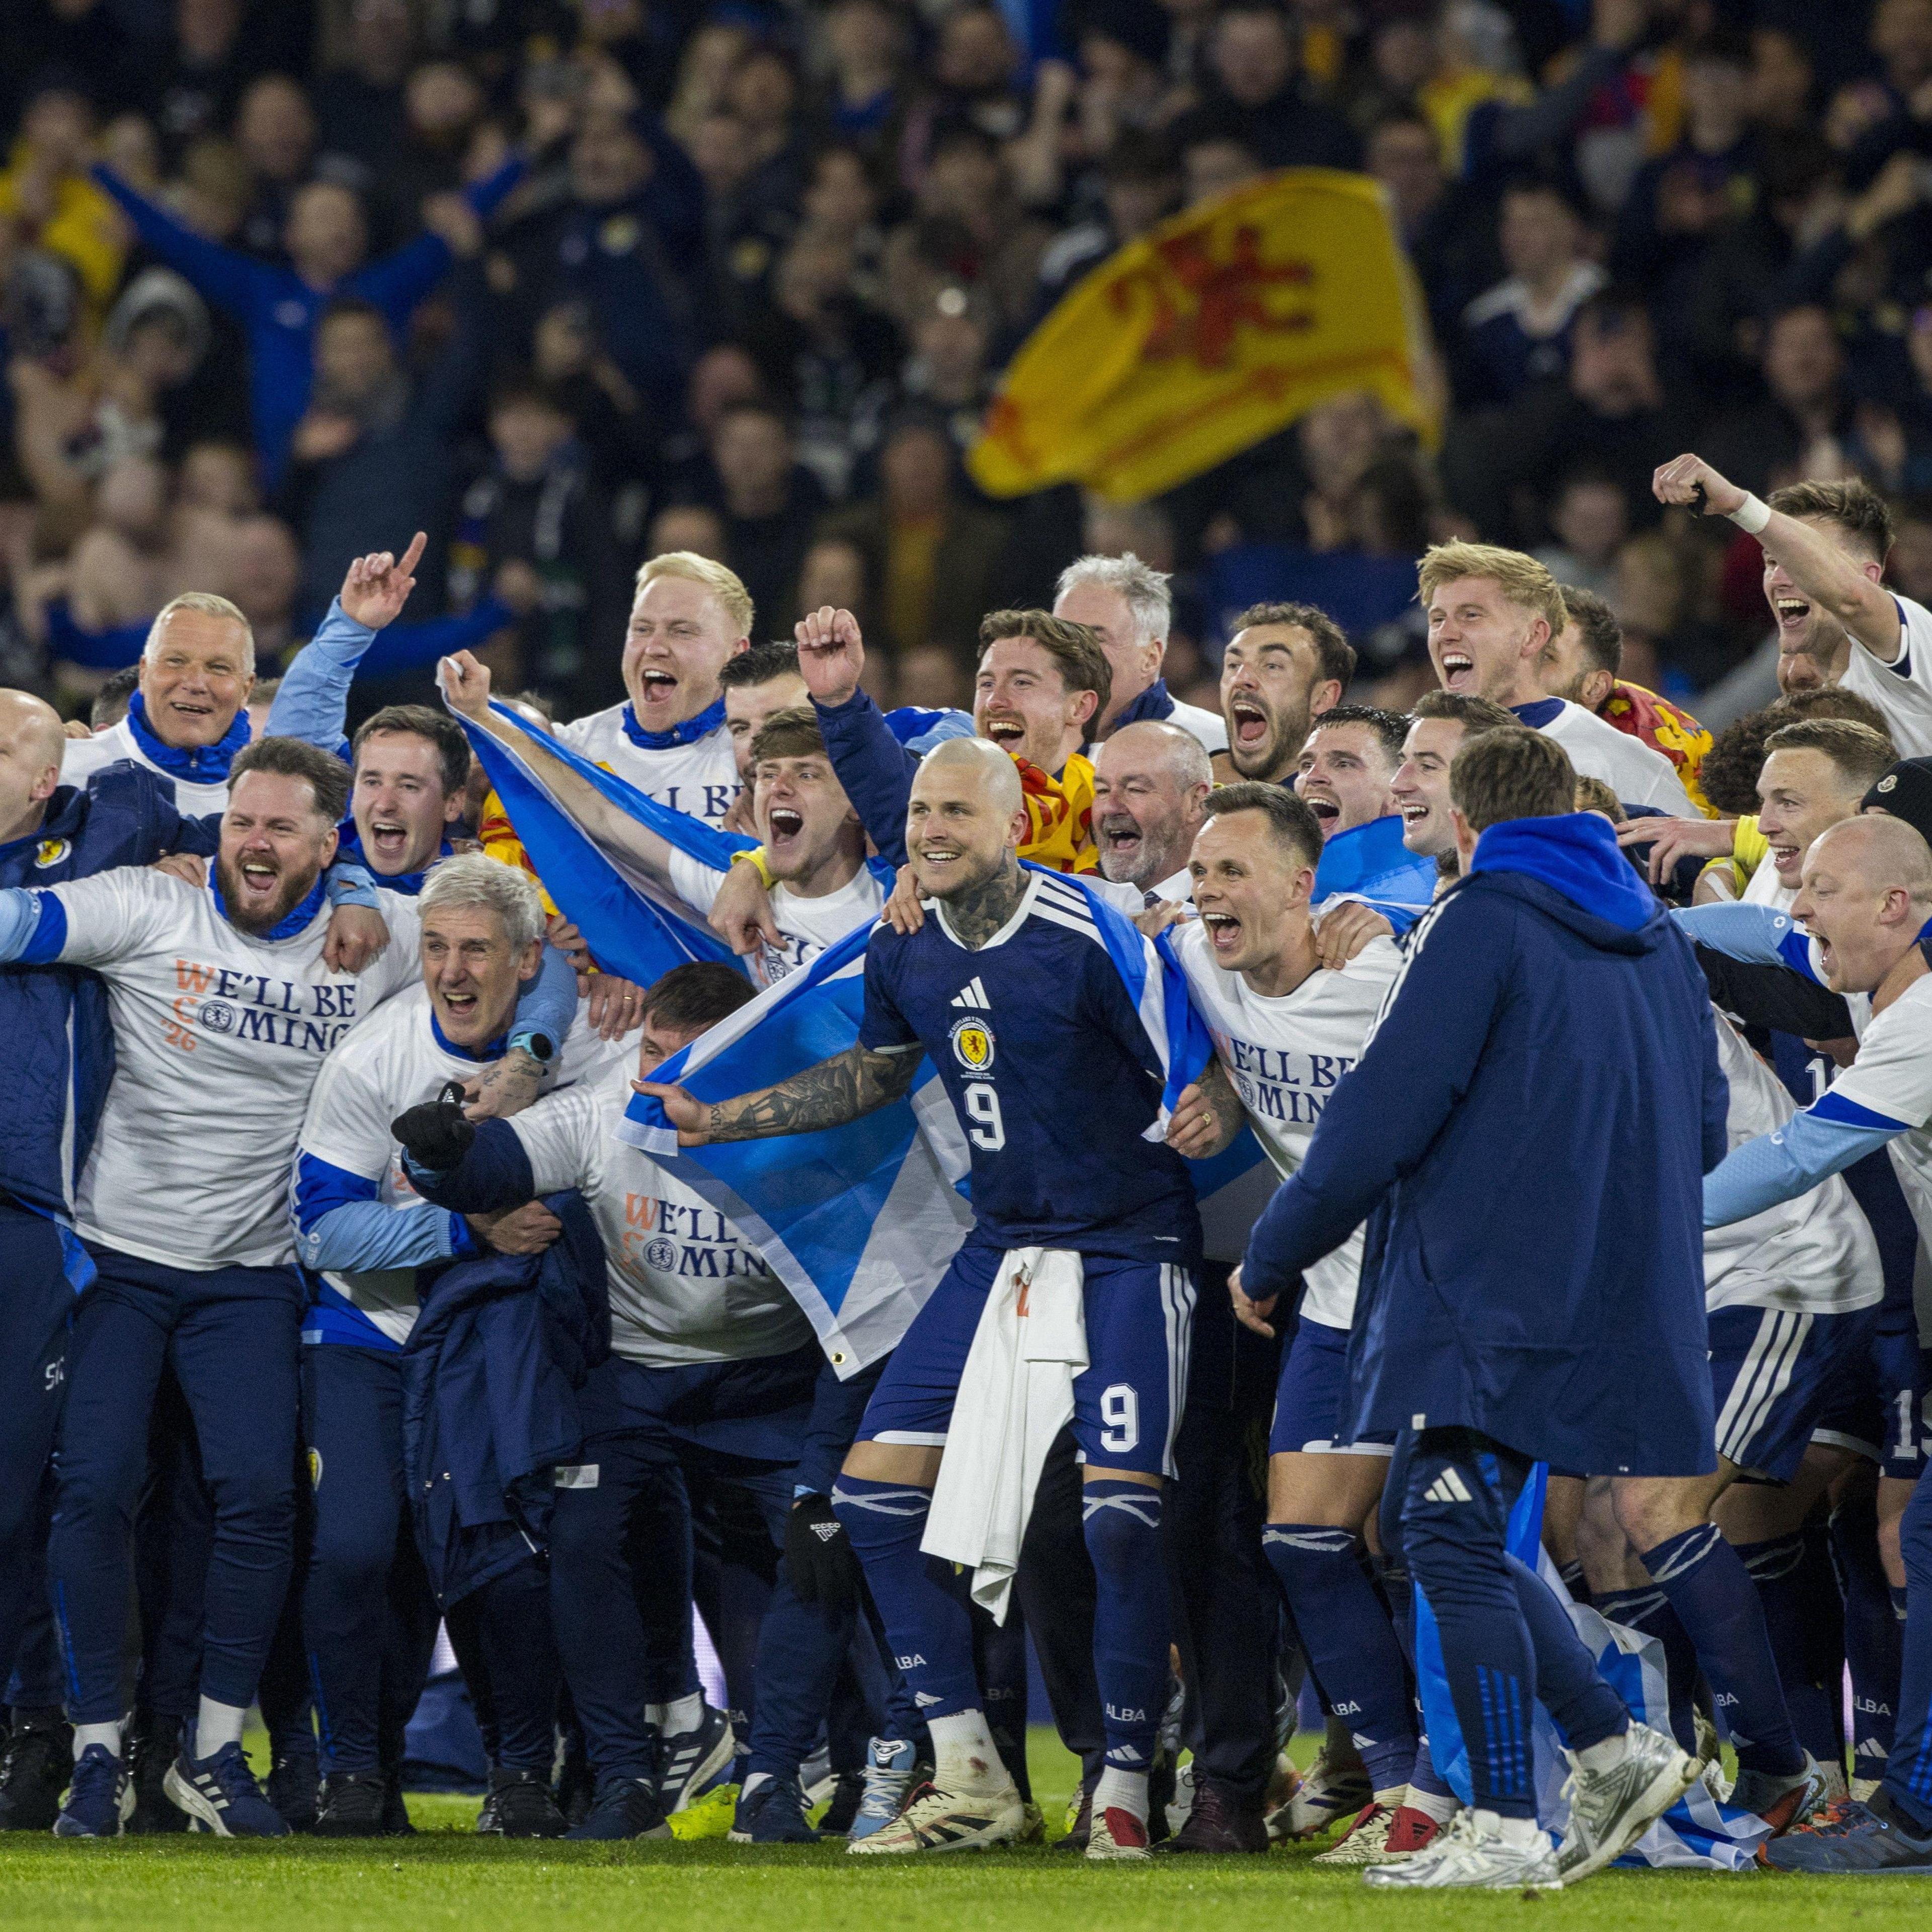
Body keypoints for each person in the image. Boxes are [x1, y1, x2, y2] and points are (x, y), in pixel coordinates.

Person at [637, 737, 1201, 1860]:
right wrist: (723, 1120)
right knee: (874, 1504)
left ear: (1012, 823)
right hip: (1002, 1253)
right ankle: (971, 1769)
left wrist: (1219, 1119)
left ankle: (1133, 1775)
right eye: (920, 815)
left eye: (955, 811)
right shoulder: (906, 950)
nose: (930, 831)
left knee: (1118, 1522)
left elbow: (1198, 1064)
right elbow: (873, 1074)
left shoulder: (1089, 935)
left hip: (1133, 1250)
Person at [1237, 728, 1717, 1889]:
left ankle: (1507, 1820)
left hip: (1483, 1279)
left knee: (1443, 1529)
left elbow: (1383, 1109)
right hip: (1614, 1278)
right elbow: (1700, 1119)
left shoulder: (1479, 914)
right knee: (1427, 1520)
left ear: (1467, 823)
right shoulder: (1655, 937)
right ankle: (1608, 1744)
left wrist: (1273, 1248)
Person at [0, 740, 427, 1838]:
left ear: (326, 846)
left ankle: (207, 1756)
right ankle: (98, 1757)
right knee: (90, 1495)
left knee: (262, 1504)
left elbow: (526, 947)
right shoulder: (153, 906)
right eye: (243, 823)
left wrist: (532, 1030)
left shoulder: (378, 943)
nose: (255, 844)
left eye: (284, 829)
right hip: (117, 1265)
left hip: (251, 1279)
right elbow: (17, 924)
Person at [391, 961, 901, 1846]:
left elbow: (859, 1319)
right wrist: (438, 1153)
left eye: (685, 1065)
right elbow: (494, 1168)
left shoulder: (813, 1142)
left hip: (773, 1387)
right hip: (630, 1383)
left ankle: (775, 1777)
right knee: (583, 1541)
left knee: (819, 1546)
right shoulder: (602, 1113)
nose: (657, 1082)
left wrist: (822, 1473)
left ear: (742, 1068)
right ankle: (626, 1773)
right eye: (651, 1054)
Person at [291, 855, 623, 1838]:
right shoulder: (371, 1060)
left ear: (526, 963)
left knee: (502, 1553)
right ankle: (355, 1772)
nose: (452, 970)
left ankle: (519, 1772)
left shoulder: (570, 1048)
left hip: (490, 1341)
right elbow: (321, 1233)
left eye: (476, 949)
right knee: (353, 1548)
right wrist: (461, 1230)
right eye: (435, 948)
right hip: (370, 1334)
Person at [1161, 784, 1419, 1865]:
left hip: (1430, 1298)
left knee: (1431, 1550)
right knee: (1304, 1541)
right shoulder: (1191, 956)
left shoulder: (1385, 976)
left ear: (1305, 888)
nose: (1211, 894)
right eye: (1203, 873)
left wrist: (1396, 922)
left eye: (1235, 872)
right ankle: (1406, 1792)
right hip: (1335, 1298)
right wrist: (1219, 1081)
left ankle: (1526, 1769)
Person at [1671, 814, 1932, 1869]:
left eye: (1823, 890)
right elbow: (1754, 930)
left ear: (1897, 908)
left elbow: (1794, 1158)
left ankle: (1913, 1815)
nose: (1801, 909)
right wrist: (1643, 919)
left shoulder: (1918, 1024)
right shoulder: (1883, 966)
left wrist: (1658, 1224)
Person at [0, 691, 223, 1830]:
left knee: (36, 1496)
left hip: (39, 1220)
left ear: (52, 781)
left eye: (3, 743)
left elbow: (234, 797)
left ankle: (51, 1725)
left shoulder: (108, 839)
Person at [443, 650, 882, 988]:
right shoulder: (723, 871)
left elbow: (942, 750)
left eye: (805, 772)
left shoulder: (905, 886)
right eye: (744, 733)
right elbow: (601, 812)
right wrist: (484, 717)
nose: (760, 751)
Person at [1652, 466, 1932, 760]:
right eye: (1772, 562)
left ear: (1869, 577)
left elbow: (1853, 598)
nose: (1778, 579)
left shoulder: (1914, 635)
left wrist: (1739, 505)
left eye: (1799, 565)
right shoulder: (1798, 676)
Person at [1419, 542, 1698, 815]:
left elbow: (1702, 859)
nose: (1446, 633)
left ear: (1534, 636)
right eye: (1438, 619)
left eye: (1471, 616)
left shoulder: (1619, 762)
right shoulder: (1405, 754)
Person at [58, 592, 258, 814]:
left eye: (218, 667)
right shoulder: (67, 770)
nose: (195, 683)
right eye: (175, 661)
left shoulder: (272, 798)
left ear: (246, 690)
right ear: (144, 674)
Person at [1052, 553, 1228, 755]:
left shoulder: (1217, 746)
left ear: (1150, 658)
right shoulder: (1026, 743)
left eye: (1096, 639)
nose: (1071, 653)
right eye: (1062, 635)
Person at [1388, 691, 1521, 878]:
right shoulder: (1377, 899)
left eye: (1428, 766)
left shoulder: (1529, 898)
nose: (1396, 784)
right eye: (1402, 763)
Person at [1219, 602, 1352, 786]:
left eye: (1272, 666)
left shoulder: (1340, 810)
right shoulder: (1198, 790)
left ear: (1323, 698)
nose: (1240, 679)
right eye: (1233, 665)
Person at [1089, 720, 1213, 905]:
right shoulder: (1079, 902)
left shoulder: (1231, 911)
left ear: (1196, 802)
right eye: (1103, 791)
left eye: (1135, 789)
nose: (1111, 807)